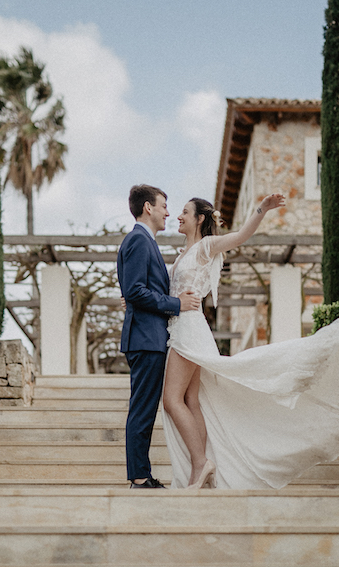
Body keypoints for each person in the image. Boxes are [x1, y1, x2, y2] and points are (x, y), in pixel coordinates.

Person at [161, 194, 339, 489]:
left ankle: (201, 463)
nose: (178, 216)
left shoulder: (205, 247)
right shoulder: (181, 255)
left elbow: (240, 236)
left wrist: (261, 209)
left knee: (172, 400)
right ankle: (203, 466)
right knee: (191, 402)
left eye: (185, 212)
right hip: (185, 327)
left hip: (188, 329)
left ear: (200, 219)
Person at [117, 184, 202, 489]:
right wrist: (177, 304)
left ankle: (143, 473)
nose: (169, 212)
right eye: (164, 206)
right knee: (142, 408)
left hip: (149, 337)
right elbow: (137, 291)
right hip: (145, 339)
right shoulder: (139, 240)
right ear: (148, 208)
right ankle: (139, 478)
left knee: (145, 407)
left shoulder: (144, 241)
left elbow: (135, 290)